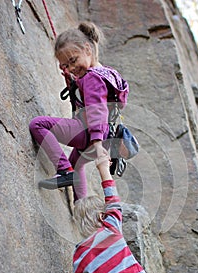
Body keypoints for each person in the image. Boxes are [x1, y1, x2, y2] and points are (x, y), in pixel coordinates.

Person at [29, 21, 129, 201]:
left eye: (73, 60)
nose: (71, 68)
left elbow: (96, 110)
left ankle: (64, 170)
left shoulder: (91, 78)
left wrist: (98, 146)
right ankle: (82, 207)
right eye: (65, 66)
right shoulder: (106, 73)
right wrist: (73, 81)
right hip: (106, 135)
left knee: (38, 125)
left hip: (90, 132)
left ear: (87, 49)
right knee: (77, 164)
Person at [72, 154, 156, 273]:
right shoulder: (111, 228)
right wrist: (103, 168)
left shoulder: (79, 254)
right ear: (103, 216)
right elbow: (112, 198)